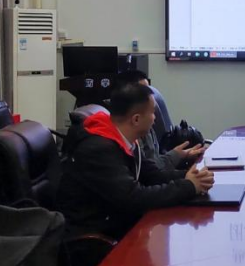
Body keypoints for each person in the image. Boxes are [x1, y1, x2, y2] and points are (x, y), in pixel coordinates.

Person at [56, 82, 215, 240]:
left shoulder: (126, 139)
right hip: (96, 238)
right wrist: (188, 186)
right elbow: (133, 198)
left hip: (118, 223)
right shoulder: (99, 149)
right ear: (136, 119)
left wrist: (192, 176)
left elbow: (153, 175)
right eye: (152, 113)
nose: (155, 119)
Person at [114, 70, 205, 171]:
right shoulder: (118, 140)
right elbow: (150, 172)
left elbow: (153, 166)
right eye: (144, 92)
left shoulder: (145, 123)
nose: (150, 96)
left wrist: (180, 156)